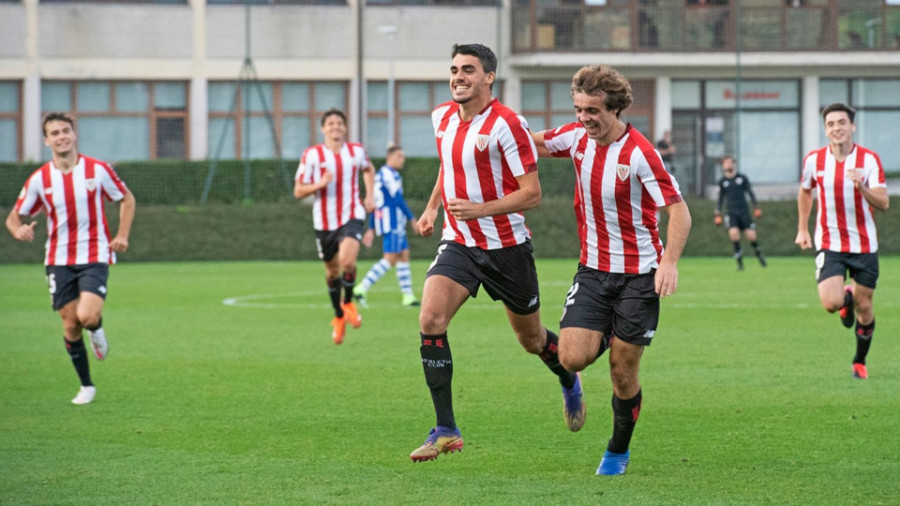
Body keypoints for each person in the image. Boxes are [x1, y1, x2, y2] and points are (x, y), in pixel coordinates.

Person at [409, 43, 584, 463]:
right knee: (430, 319)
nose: (458, 76)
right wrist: (433, 206)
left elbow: (532, 194)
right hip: (460, 243)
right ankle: (446, 429)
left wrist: (480, 209)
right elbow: (449, 167)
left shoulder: (509, 125)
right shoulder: (442, 118)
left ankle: (567, 375)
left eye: (468, 69)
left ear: (489, 77)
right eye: (453, 69)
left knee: (531, 340)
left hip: (507, 249)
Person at [531, 64, 691, 475]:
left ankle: (617, 451)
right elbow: (529, 144)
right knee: (571, 358)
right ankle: (581, 368)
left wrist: (669, 263)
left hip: (640, 277)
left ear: (616, 108)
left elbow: (679, 212)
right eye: (579, 109)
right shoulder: (575, 138)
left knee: (622, 371)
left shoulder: (640, 154)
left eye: (593, 110)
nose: (585, 118)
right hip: (593, 271)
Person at [6, 112, 136, 405]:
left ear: (74, 134)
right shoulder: (40, 179)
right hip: (58, 257)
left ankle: (96, 326)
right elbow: (14, 216)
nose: (61, 136)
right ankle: (86, 386)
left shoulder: (97, 170)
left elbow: (126, 198)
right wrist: (18, 230)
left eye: (65, 130)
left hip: (94, 253)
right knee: (69, 325)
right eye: (54, 133)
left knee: (87, 316)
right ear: (46, 140)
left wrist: (123, 235)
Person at [795, 103, 888, 380]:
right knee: (830, 303)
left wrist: (861, 186)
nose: (837, 128)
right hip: (830, 243)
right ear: (826, 130)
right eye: (831, 124)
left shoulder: (869, 160)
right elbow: (805, 191)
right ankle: (844, 296)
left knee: (866, 307)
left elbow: (883, 202)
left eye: (842, 123)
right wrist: (802, 228)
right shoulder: (814, 160)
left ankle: (859, 361)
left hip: (864, 246)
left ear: (852, 127)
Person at [294, 109, 376, 345]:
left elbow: (368, 169)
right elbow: (298, 191)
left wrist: (369, 195)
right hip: (324, 222)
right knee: (332, 272)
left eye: (339, 122)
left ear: (345, 128)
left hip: (352, 214)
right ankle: (339, 316)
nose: (335, 126)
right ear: (323, 129)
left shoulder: (356, 151)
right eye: (330, 123)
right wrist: (319, 183)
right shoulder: (311, 155)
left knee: (348, 262)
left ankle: (348, 301)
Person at [353, 145, 421, 308]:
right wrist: (412, 219)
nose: (402, 159)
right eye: (399, 156)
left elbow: (374, 203)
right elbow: (397, 199)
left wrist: (371, 227)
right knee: (390, 259)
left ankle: (408, 296)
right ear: (389, 157)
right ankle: (361, 288)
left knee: (404, 254)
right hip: (391, 222)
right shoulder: (388, 174)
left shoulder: (383, 174)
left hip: (390, 221)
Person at [714, 155, 767, 270]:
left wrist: (756, 207)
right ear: (723, 166)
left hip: (744, 211)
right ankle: (740, 264)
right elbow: (720, 198)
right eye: (726, 163)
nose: (728, 165)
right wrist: (717, 212)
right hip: (731, 212)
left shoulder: (742, 178)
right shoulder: (722, 182)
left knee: (751, 236)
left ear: (733, 164)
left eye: (730, 162)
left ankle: (759, 256)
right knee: (734, 235)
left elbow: (750, 193)